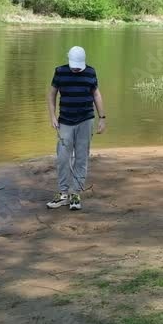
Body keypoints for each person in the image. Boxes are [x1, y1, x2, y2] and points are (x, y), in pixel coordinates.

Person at [46, 46, 106, 211]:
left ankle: (75, 194)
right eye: (74, 66)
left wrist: (102, 118)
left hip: (86, 120)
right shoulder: (60, 72)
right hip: (65, 121)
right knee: (63, 158)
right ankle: (63, 194)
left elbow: (96, 94)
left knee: (81, 158)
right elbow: (51, 95)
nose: (76, 69)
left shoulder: (90, 72)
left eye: (79, 66)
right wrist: (52, 116)